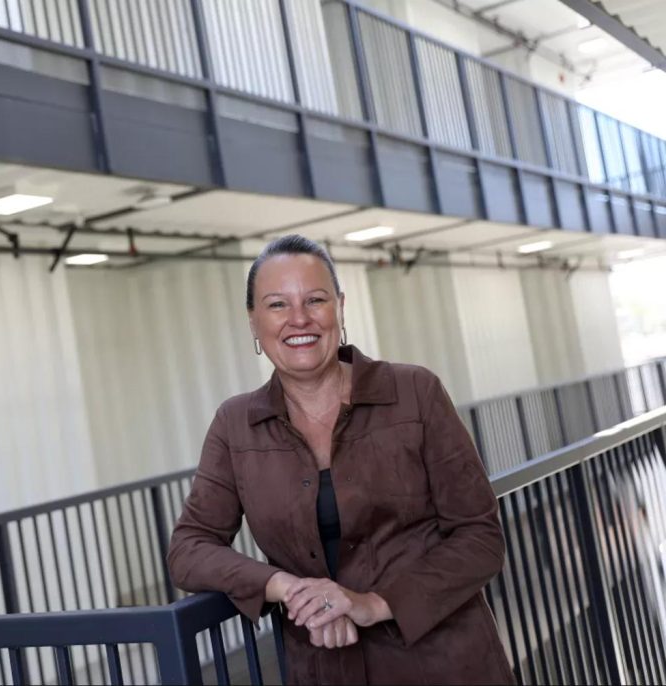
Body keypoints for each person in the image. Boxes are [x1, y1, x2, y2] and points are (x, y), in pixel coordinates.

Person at [167, 235, 515, 685]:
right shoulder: (236, 424)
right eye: (277, 305)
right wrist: (287, 588)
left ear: (340, 307)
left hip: (444, 663)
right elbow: (189, 549)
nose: (299, 319)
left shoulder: (414, 393)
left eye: (315, 299)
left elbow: (480, 537)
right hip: (323, 668)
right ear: (253, 321)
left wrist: (373, 603)